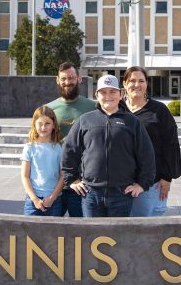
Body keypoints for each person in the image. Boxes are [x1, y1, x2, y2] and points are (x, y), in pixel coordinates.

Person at [62, 74, 155, 217]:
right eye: (103, 92)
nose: (108, 96)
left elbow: (146, 154)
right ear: (96, 95)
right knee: (92, 236)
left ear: (121, 94)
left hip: (122, 193)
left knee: (118, 236)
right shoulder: (85, 120)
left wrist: (142, 184)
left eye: (112, 92)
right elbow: (69, 151)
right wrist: (71, 179)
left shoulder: (132, 122)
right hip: (91, 193)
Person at [122, 66, 181, 217]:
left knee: (148, 231)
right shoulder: (117, 109)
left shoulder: (159, 110)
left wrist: (167, 177)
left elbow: (171, 144)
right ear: (124, 84)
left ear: (147, 83)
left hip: (152, 183)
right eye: (132, 81)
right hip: (121, 182)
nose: (137, 85)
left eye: (141, 81)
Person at [46, 62, 96, 217]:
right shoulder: (48, 109)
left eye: (71, 78)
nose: (67, 82)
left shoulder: (93, 107)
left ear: (79, 78)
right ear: (57, 80)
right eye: (64, 79)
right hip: (53, 184)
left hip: (82, 184)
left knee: (82, 233)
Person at [20, 106, 65, 216]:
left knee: (53, 232)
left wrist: (52, 198)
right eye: (40, 123)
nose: (43, 127)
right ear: (34, 125)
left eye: (47, 123)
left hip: (54, 200)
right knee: (29, 232)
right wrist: (34, 199)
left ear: (54, 125)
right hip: (32, 201)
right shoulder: (29, 147)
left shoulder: (59, 148)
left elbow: (63, 176)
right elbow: (25, 176)